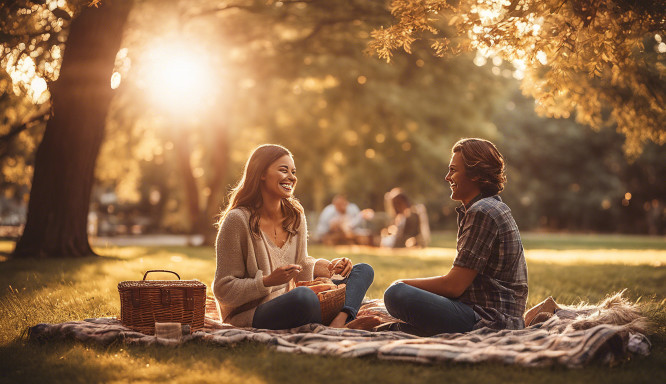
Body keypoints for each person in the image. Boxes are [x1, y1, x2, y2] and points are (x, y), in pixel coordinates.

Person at [213, 144, 374, 330]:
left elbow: (301, 264)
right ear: (261, 174)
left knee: (363, 271)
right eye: (283, 170)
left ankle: (339, 323)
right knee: (304, 298)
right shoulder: (237, 220)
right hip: (251, 313)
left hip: (291, 300)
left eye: (293, 171)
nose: (291, 177)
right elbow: (223, 290)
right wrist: (267, 281)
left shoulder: (295, 215)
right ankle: (336, 323)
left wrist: (330, 267)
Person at [382, 138, 528, 336]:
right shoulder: (488, 207)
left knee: (395, 294)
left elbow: (453, 286)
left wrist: (400, 283)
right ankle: (403, 329)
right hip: (486, 312)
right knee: (405, 295)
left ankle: (405, 323)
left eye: (453, 170)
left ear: (475, 174)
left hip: (490, 320)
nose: (447, 177)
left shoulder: (483, 211)